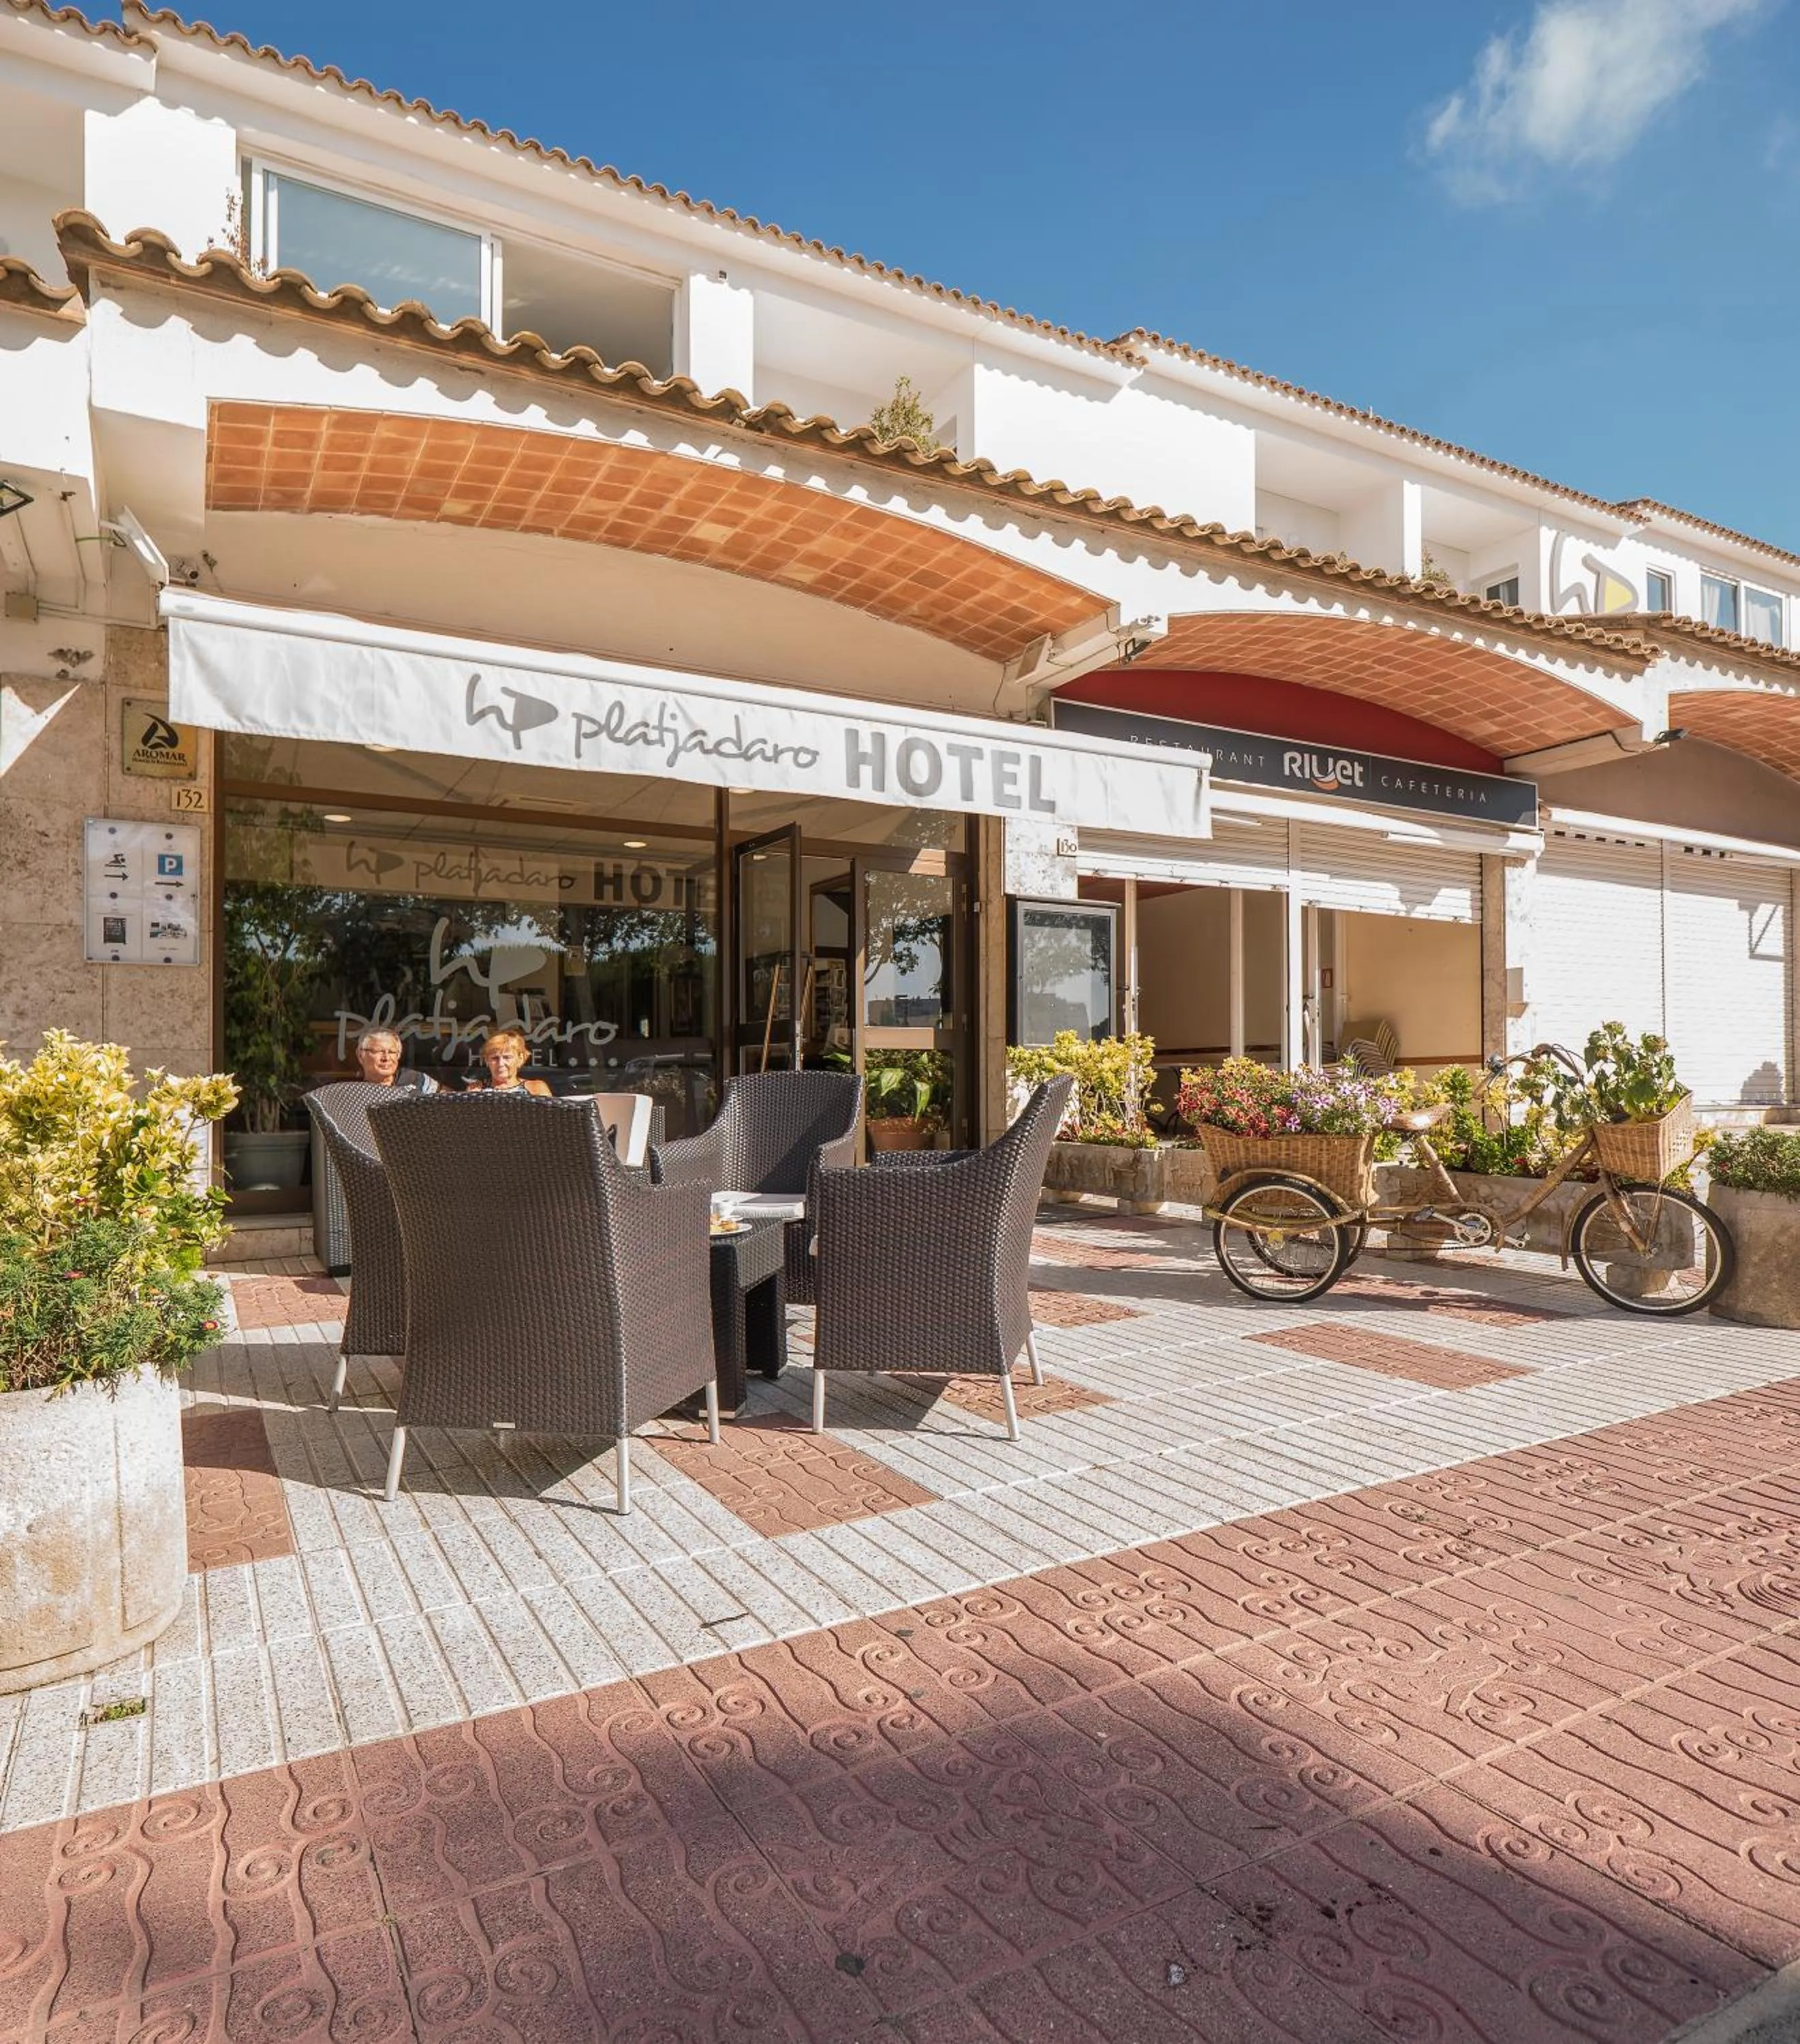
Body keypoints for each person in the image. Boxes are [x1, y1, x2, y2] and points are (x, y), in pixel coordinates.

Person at [464, 1026, 553, 1096]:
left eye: (507, 1057)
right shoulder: (476, 1090)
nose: (501, 1064)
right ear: (487, 1060)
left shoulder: (536, 1088)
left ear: (520, 1059)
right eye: (495, 1058)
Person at [354, 1027, 437, 1092]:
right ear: (361, 1055)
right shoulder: (353, 1091)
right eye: (379, 1051)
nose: (386, 1058)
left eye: (392, 1052)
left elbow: (446, 1100)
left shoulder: (416, 1079)